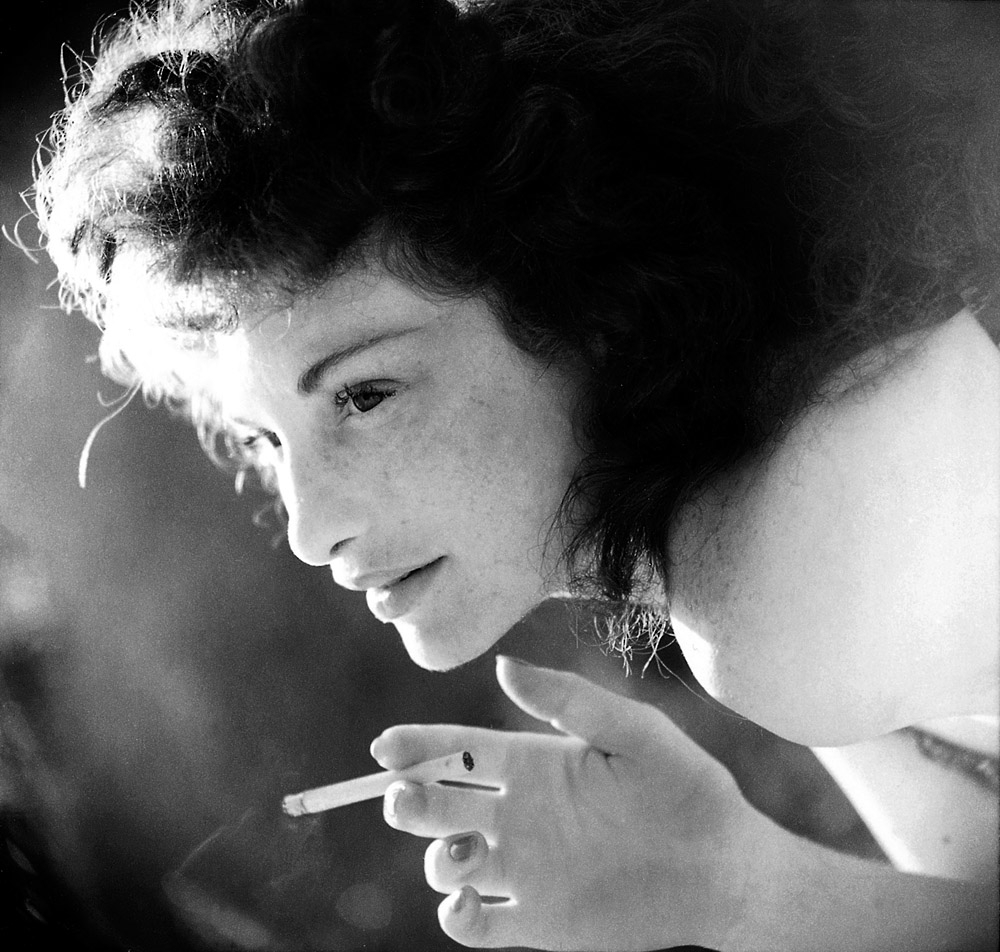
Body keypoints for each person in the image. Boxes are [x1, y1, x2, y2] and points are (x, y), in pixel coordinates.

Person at [30, 0, 998, 948]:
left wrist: (733, 891)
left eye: (365, 395)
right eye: (265, 442)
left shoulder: (780, 570)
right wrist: (724, 879)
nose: (310, 529)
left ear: (583, 297)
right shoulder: (783, 497)